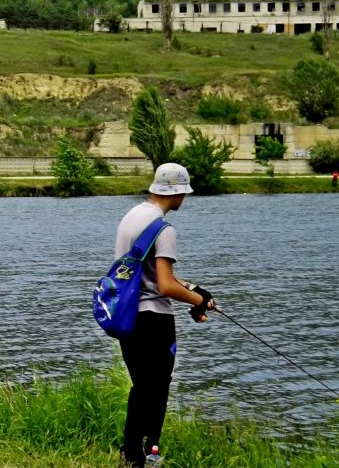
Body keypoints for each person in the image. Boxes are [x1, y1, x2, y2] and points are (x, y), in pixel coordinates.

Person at [114, 162, 217, 468]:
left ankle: (130, 455)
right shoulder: (164, 229)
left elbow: (139, 273)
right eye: (185, 192)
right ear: (178, 192)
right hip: (154, 320)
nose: (185, 199)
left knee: (141, 387)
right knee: (158, 390)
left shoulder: (132, 217)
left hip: (128, 317)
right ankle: (150, 456)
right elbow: (165, 285)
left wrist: (194, 289)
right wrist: (198, 300)